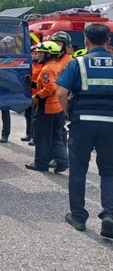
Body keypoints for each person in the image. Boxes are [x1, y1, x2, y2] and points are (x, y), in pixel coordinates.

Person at [56, 23, 113, 238]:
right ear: (107, 41)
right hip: (110, 125)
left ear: (85, 40)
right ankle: (109, 214)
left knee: (78, 170)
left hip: (83, 123)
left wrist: (69, 113)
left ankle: (78, 217)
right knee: (109, 171)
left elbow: (62, 92)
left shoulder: (77, 63)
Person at [24, 41, 68, 173]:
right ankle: (63, 161)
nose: (38, 55)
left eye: (41, 53)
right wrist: (31, 84)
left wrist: (36, 97)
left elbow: (50, 87)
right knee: (56, 138)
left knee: (41, 137)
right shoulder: (56, 66)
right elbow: (47, 85)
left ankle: (41, 164)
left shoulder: (46, 69)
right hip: (58, 109)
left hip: (47, 109)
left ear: (48, 54)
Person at [21, 46, 42, 144]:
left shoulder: (42, 66)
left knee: (34, 117)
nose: (34, 55)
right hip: (27, 94)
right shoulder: (29, 65)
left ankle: (34, 136)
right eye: (32, 53)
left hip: (36, 95)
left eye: (36, 53)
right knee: (27, 115)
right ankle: (28, 134)